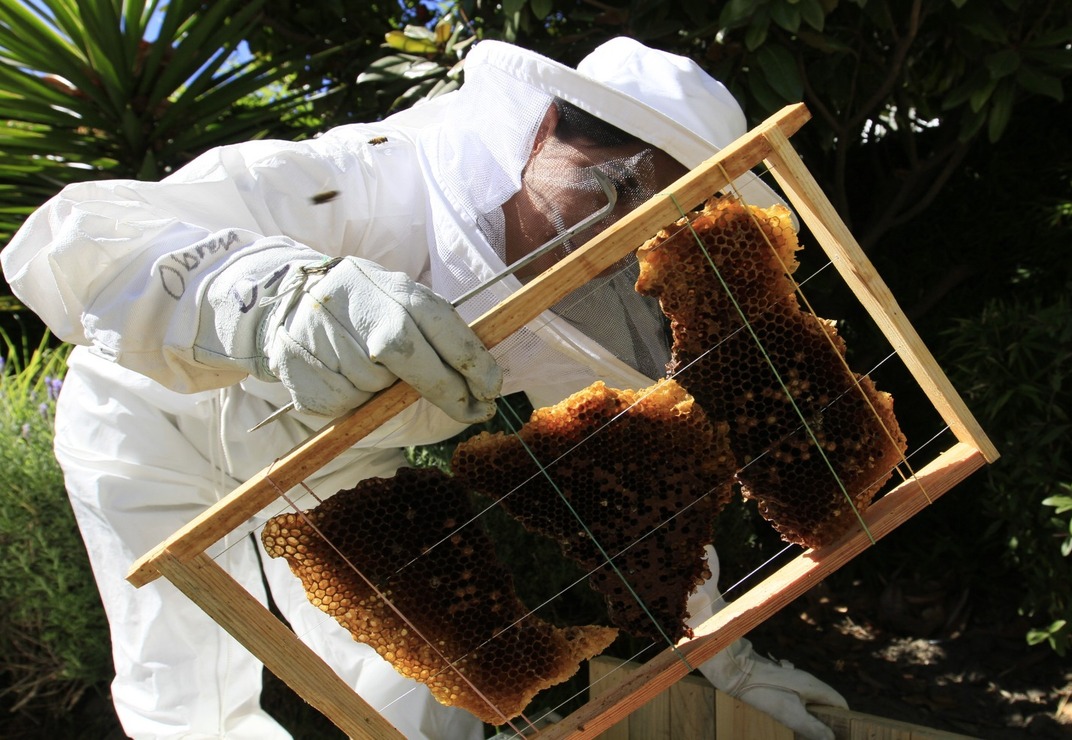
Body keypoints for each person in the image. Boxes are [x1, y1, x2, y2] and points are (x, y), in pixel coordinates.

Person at [2, 37, 846, 740]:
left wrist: (723, 659)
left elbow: (650, 496)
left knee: (424, 691)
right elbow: (72, 240)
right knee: (182, 695)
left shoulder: (599, 298)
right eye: (615, 185)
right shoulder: (360, 181)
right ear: (547, 125)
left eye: (650, 219)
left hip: (339, 460)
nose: (612, 236)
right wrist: (275, 297)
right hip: (149, 418)